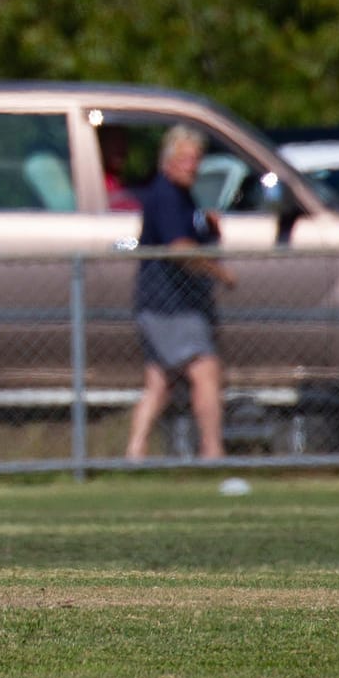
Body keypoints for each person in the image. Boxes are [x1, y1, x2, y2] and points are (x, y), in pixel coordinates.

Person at [123, 125, 235, 461]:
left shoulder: (181, 196)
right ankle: (213, 452)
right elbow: (179, 248)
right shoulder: (167, 194)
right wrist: (221, 273)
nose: (193, 166)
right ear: (168, 161)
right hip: (169, 306)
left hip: (165, 304)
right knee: (205, 370)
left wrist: (206, 226)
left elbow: (189, 231)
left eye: (196, 159)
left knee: (160, 383)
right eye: (185, 159)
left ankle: (134, 452)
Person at [99, 123, 143, 213]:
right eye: (113, 142)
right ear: (101, 144)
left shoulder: (118, 181)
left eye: (123, 141)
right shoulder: (99, 182)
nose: (120, 148)